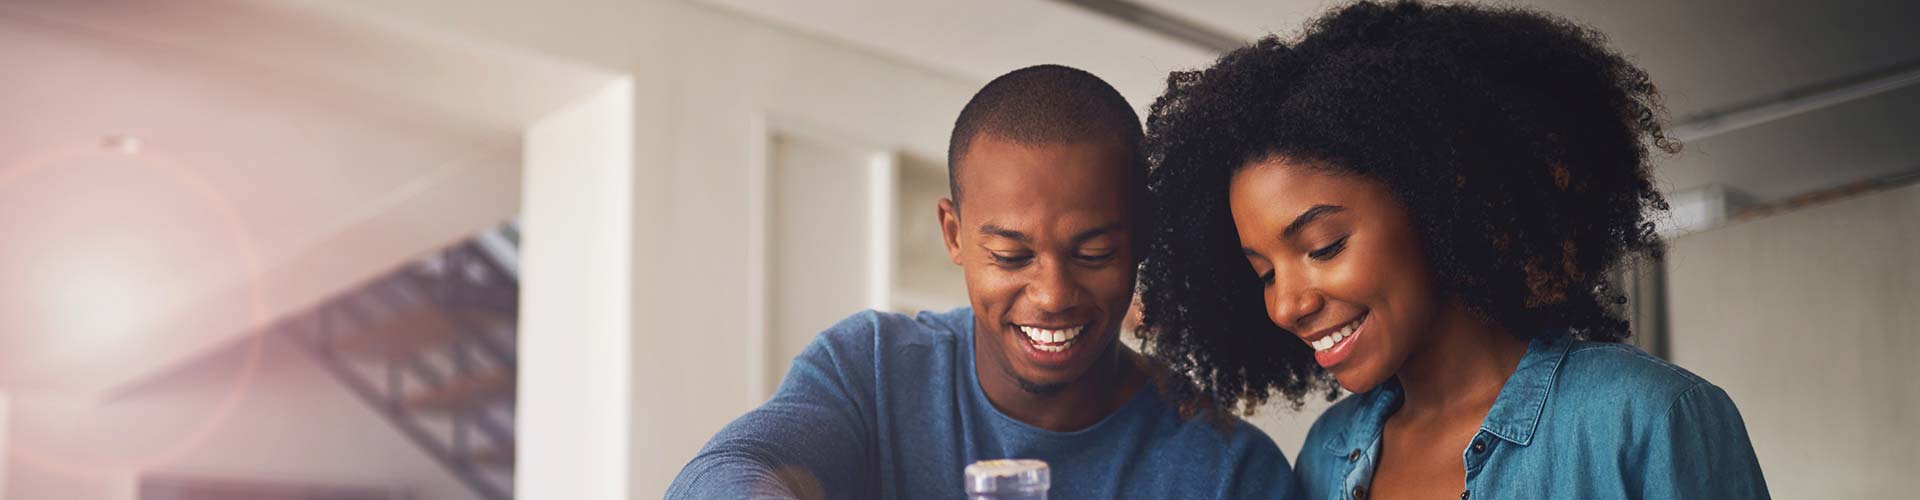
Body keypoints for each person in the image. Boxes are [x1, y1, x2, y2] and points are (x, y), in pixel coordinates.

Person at [1134, 2, 1769, 499]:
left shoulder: (1645, 421)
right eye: (1264, 273)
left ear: (1436, 202)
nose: (1286, 304)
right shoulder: (1328, 455)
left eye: (1323, 247)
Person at [667, 64, 1299, 499]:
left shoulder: (1226, 472)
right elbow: (724, 471)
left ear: (1140, 239)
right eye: (1010, 255)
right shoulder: (874, 372)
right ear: (955, 235)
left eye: (1094, 252)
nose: (1052, 295)